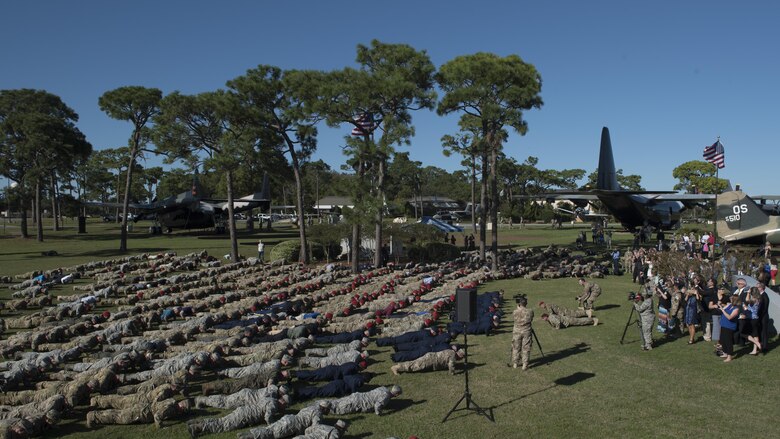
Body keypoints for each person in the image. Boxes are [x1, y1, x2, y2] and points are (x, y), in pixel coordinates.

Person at [510, 295, 534, 370]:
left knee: (516, 347)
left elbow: (514, 318)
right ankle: (525, 364)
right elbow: (531, 319)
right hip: (526, 331)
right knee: (526, 348)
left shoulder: (515, 312)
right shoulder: (530, 311)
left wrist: (518, 308)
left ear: (519, 304)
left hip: (517, 331)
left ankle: (515, 363)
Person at [717, 295, 741, 362]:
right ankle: (725, 353)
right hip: (723, 325)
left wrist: (722, 310)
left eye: (731, 298)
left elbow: (730, 317)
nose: (730, 299)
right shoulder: (730, 305)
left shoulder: (736, 309)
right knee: (723, 340)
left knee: (728, 341)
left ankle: (729, 356)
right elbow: (723, 308)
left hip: (729, 327)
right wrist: (720, 305)